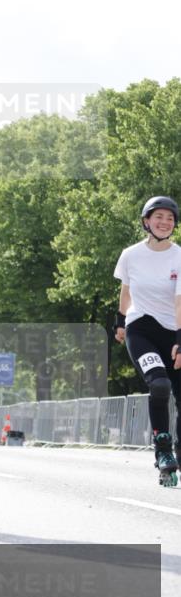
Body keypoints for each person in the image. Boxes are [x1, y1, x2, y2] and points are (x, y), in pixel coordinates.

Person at [114, 195, 181, 487]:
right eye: (159, 217)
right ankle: (163, 450)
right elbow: (126, 291)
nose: (165, 223)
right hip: (140, 328)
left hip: (173, 331)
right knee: (159, 384)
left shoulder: (179, 256)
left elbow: (180, 303)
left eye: (170, 219)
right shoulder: (130, 255)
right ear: (146, 221)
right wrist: (119, 322)